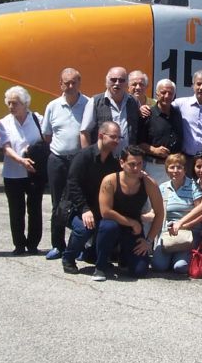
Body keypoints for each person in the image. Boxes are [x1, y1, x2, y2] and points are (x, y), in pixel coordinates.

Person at [58, 122, 122, 274]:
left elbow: (120, 179)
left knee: (111, 227)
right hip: (75, 208)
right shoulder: (84, 156)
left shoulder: (112, 162)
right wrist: (84, 209)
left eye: (119, 137)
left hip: (98, 209)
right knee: (84, 227)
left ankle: (95, 257)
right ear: (101, 135)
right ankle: (68, 258)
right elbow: (72, 184)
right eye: (113, 137)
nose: (117, 141)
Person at [94, 145, 164, 281]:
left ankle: (124, 257)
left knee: (140, 271)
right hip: (113, 223)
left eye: (140, 164)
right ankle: (100, 266)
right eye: (132, 164)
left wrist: (148, 241)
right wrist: (132, 222)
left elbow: (160, 213)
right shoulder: (110, 181)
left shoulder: (149, 183)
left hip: (133, 230)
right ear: (122, 163)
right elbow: (106, 212)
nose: (137, 168)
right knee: (108, 227)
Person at [40, 68, 88, 260]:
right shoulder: (53, 106)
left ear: (79, 83)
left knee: (80, 202)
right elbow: (47, 135)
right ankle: (58, 245)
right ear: (60, 84)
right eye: (66, 83)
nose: (70, 86)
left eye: (74, 82)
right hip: (58, 160)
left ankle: (79, 246)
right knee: (57, 204)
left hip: (79, 161)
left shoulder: (88, 104)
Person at [0, 86, 44, 255]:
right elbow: (6, 148)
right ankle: (19, 244)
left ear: (25, 103)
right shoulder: (4, 122)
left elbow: (46, 140)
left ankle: (33, 244)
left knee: (35, 208)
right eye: (9, 103)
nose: (11, 106)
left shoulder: (38, 119)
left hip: (34, 172)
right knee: (16, 209)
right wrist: (21, 160)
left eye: (15, 103)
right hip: (13, 173)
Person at [152, 153, 202, 274]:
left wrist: (183, 225)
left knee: (179, 267)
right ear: (167, 170)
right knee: (158, 266)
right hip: (168, 233)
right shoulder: (163, 188)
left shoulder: (193, 186)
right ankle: (170, 257)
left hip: (189, 232)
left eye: (179, 167)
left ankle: (179, 258)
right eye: (172, 167)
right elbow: (155, 213)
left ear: (185, 169)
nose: (175, 171)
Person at [80, 66, 142, 153]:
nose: (117, 83)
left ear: (126, 83)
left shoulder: (134, 102)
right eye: (113, 80)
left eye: (121, 80)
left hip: (128, 160)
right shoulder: (94, 102)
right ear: (106, 82)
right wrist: (88, 158)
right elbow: (85, 132)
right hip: (103, 160)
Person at [138, 78, 184, 187]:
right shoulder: (147, 115)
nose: (167, 96)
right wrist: (154, 150)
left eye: (170, 93)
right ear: (157, 94)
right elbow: (138, 142)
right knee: (152, 202)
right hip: (154, 167)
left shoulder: (178, 114)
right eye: (163, 92)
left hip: (174, 168)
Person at [173, 69, 202, 172]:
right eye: (198, 84)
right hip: (186, 160)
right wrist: (144, 108)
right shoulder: (180, 103)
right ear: (193, 85)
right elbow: (161, 105)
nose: (201, 88)